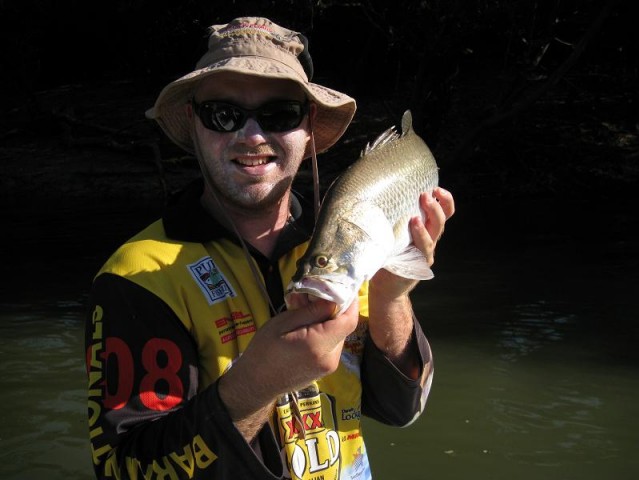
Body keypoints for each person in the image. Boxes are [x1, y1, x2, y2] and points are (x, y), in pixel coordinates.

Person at [85, 16, 455, 480]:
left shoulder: (345, 245)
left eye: (279, 113)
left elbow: (401, 409)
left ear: (308, 125)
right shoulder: (137, 278)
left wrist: (391, 297)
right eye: (223, 114)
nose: (252, 136)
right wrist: (257, 384)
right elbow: (124, 468)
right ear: (194, 125)